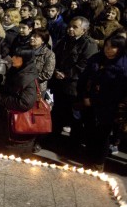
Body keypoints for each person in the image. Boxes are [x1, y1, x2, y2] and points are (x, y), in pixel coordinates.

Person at [78, 34, 127, 170]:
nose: (108, 49)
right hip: (89, 103)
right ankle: (87, 163)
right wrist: (85, 96)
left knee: (103, 136)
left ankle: (98, 163)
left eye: (113, 47)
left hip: (109, 107)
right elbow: (84, 79)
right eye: (106, 46)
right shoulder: (96, 59)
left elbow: (119, 91)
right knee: (89, 133)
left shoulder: (123, 67)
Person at [50, 16, 98, 144]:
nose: (70, 29)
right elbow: (55, 57)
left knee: (75, 116)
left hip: (75, 87)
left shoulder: (89, 44)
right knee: (58, 113)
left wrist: (66, 74)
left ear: (84, 30)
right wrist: (55, 71)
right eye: (69, 26)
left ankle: (74, 144)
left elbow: (85, 65)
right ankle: (54, 138)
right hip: (60, 84)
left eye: (75, 27)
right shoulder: (64, 41)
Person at [0, 49, 38, 156]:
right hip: (5, 121)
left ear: (25, 60)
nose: (12, 59)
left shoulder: (28, 78)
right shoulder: (15, 70)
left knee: (10, 156)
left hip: (16, 126)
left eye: (17, 57)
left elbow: (25, 103)